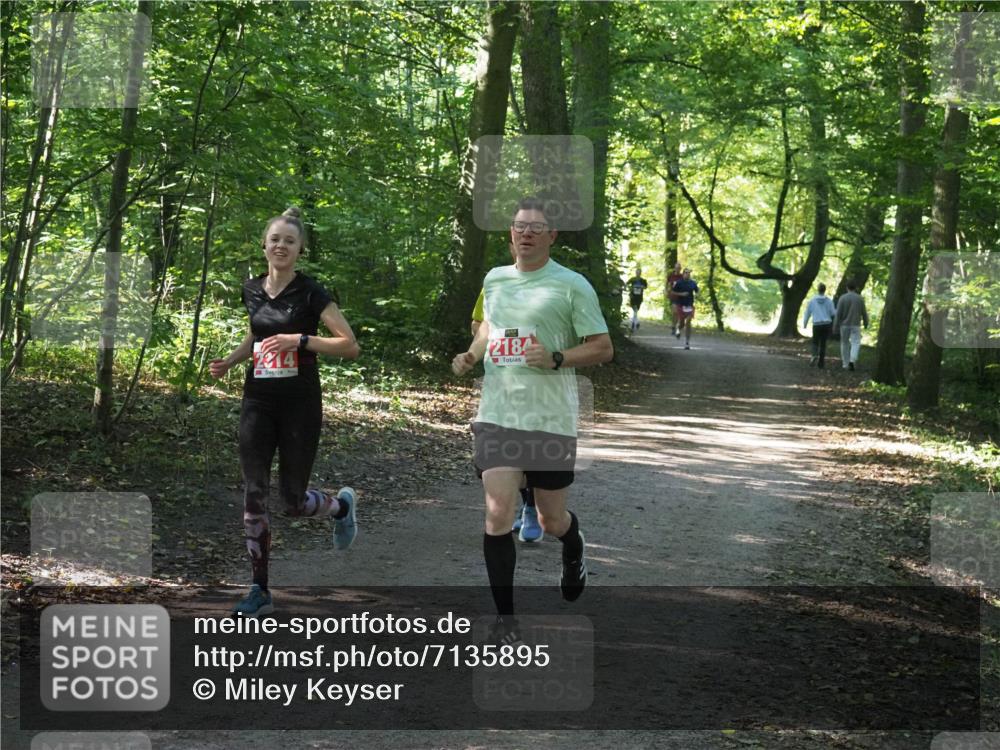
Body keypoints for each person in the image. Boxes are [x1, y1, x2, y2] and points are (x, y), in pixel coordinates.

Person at [452, 197, 613, 645]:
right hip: (498, 414)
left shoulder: (572, 285)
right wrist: (472, 353)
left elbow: (602, 347)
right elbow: (487, 327)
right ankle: (505, 622)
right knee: (498, 512)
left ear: (552, 236)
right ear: (510, 234)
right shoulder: (495, 279)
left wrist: (558, 357)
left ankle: (573, 545)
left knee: (550, 520)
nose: (525, 234)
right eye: (519, 227)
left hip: (550, 418)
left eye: (536, 228)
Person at [209, 207, 361, 616]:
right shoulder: (251, 288)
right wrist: (231, 360)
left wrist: (300, 339)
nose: (281, 246)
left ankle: (341, 507)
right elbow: (256, 334)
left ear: (300, 250)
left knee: (292, 501)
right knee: (253, 493)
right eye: (275, 239)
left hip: (299, 403)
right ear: (264, 245)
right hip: (257, 400)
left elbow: (349, 344)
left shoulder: (312, 293)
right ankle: (259, 588)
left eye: (289, 242)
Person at [470, 249, 541, 545]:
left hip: (539, 385)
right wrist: (487, 343)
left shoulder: (551, 286)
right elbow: (478, 323)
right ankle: (511, 502)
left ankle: (530, 506)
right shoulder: (495, 282)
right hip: (500, 385)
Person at [833, 280, 869, 371]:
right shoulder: (860, 298)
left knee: (844, 343)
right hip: (856, 324)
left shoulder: (842, 298)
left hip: (844, 325)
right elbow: (864, 312)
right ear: (855, 288)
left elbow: (838, 314)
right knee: (856, 342)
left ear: (847, 287)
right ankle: (852, 360)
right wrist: (866, 322)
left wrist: (835, 325)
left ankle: (845, 364)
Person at [802, 282, 836, 369]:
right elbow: (833, 313)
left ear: (818, 290)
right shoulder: (829, 301)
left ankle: (814, 355)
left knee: (815, 341)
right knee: (823, 343)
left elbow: (807, 313)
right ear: (825, 290)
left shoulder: (812, 301)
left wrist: (805, 324)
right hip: (826, 324)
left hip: (816, 324)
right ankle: (821, 363)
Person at [671, 268, 699, 350]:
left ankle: (687, 342)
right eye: (686, 273)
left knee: (688, 322)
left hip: (690, 306)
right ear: (683, 274)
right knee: (682, 324)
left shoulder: (693, 283)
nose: (687, 274)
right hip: (681, 305)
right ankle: (678, 329)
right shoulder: (679, 283)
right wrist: (681, 294)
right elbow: (672, 292)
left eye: (689, 273)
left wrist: (697, 294)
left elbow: (697, 291)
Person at [625, 268, 648, 333]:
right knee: (635, 309)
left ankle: (635, 322)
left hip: (639, 297)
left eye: (639, 272)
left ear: (641, 273)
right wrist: (630, 288)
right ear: (635, 272)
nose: (638, 273)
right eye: (637, 272)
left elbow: (646, 287)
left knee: (636, 309)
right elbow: (626, 284)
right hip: (633, 296)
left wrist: (641, 287)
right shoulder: (632, 279)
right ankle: (635, 322)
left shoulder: (643, 280)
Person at [666, 262, 684, 336]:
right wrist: (667, 292)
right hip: (673, 296)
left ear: (680, 269)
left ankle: (676, 327)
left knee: (679, 314)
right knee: (674, 312)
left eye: (679, 268)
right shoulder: (670, 276)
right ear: (674, 268)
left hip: (681, 297)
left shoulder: (682, 276)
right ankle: (673, 326)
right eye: (676, 267)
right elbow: (667, 285)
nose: (678, 269)